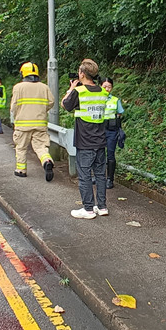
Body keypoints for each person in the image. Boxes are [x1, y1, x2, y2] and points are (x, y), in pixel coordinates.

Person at [62, 59, 108, 219]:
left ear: (82, 74)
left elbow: (65, 105)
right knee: (101, 174)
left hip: (85, 141)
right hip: (101, 140)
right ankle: (102, 207)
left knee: (85, 174)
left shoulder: (80, 92)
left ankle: (88, 208)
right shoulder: (103, 92)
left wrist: (71, 88)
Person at [10, 62, 55, 181]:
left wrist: (16, 116)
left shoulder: (18, 87)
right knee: (41, 147)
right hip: (40, 123)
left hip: (22, 124)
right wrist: (41, 110)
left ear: (23, 73)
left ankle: (21, 170)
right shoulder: (44, 87)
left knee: (21, 148)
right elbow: (51, 102)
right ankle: (47, 161)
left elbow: (14, 106)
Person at [101, 77, 124, 189]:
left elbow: (119, 114)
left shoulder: (115, 100)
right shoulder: (97, 99)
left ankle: (110, 179)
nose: (107, 89)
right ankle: (99, 177)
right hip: (99, 130)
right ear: (100, 86)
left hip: (111, 131)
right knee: (98, 153)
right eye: (104, 86)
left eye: (109, 86)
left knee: (110, 154)